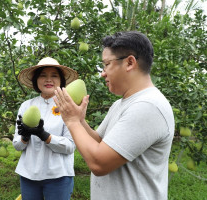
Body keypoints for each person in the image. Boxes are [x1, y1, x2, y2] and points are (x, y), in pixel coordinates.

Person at [54, 31, 175, 200]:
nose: (103, 73)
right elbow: (100, 142)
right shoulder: (121, 104)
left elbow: (99, 163)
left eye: (106, 64)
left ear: (129, 62)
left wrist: (72, 121)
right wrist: (80, 121)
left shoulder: (148, 106)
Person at [13, 57, 79, 200]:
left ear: (61, 80)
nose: (48, 80)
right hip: (28, 175)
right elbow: (17, 145)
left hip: (58, 176)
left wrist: (44, 135)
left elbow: (70, 146)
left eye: (54, 75)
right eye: (43, 75)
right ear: (36, 80)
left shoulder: (68, 107)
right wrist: (25, 137)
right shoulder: (26, 106)